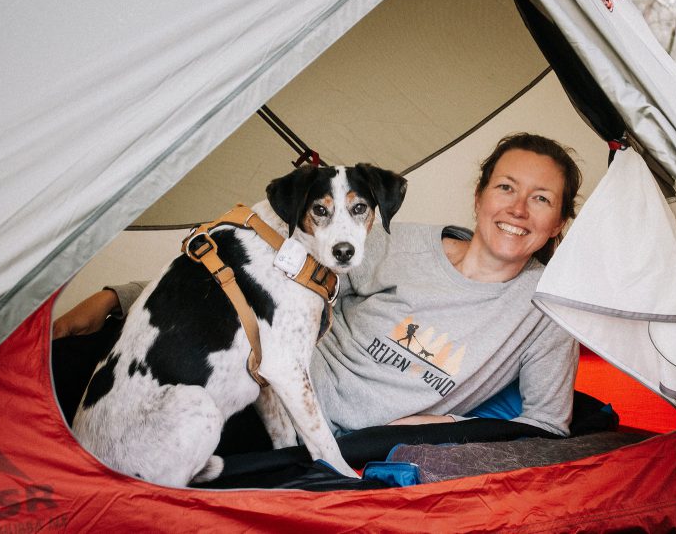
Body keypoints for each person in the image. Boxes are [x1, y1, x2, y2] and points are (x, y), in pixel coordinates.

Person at [53, 133, 582, 437]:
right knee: (55, 371)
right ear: (479, 196)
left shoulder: (546, 311)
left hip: (294, 426)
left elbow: (545, 428)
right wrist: (117, 298)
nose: (518, 209)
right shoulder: (388, 241)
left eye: (541, 198)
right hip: (240, 365)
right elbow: (257, 285)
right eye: (506, 187)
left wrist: (436, 426)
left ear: (559, 221)